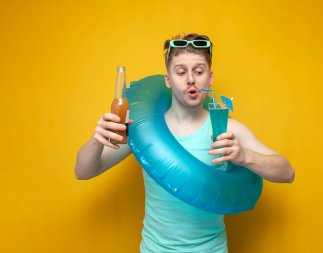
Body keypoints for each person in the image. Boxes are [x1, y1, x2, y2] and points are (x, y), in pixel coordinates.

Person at [75, 33, 295, 253]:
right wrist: (97, 141)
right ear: (168, 80)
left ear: (210, 78)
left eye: (199, 71)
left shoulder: (228, 129)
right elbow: (83, 171)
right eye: (181, 72)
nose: (191, 79)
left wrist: (244, 156)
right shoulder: (142, 128)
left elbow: (287, 173)